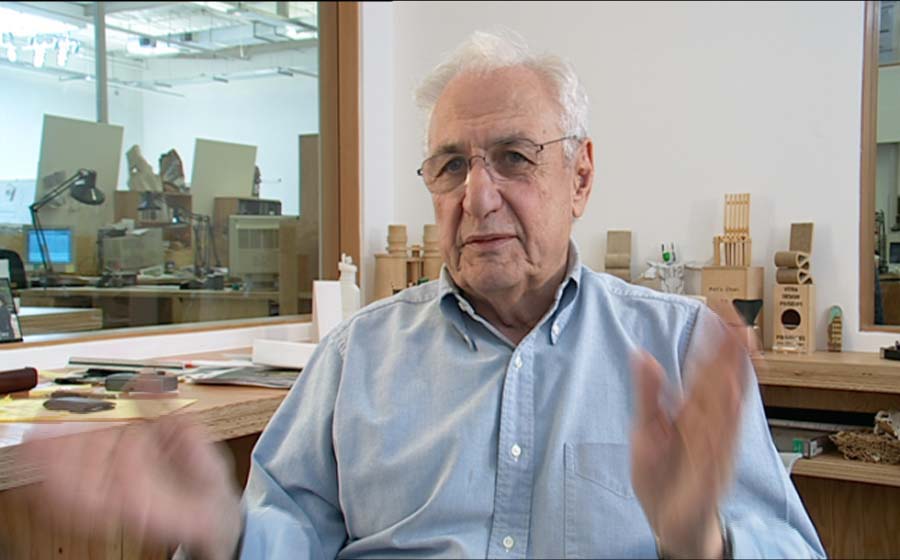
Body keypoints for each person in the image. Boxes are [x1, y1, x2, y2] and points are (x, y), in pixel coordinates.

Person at [26, 31, 825, 559]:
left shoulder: (680, 350)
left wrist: (700, 540)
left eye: (513, 157)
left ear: (580, 176)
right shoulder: (355, 358)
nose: (477, 196)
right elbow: (288, 532)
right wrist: (221, 533)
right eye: (450, 167)